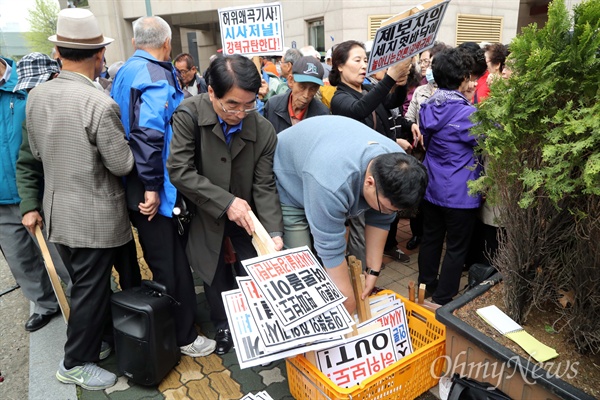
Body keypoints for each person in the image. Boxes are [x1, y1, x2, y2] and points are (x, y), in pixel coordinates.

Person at [25, 8, 134, 390]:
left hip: (58, 209)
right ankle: (75, 362)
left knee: (86, 284)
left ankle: (100, 343)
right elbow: (121, 164)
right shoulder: (100, 104)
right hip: (95, 214)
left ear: (59, 52)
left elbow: (36, 152)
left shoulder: (37, 96)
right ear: (98, 55)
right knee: (91, 290)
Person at [110, 16, 216, 358]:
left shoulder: (126, 70)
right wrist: (153, 186)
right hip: (151, 182)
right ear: (167, 43)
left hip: (136, 178)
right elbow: (149, 133)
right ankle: (184, 336)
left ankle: (180, 325)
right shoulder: (155, 74)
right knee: (168, 261)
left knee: (163, 257)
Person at [167, 54, 284, 355]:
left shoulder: (263, 129)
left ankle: (256, 323)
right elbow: (179, 170)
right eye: (232, 104)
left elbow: (264, 184)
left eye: (249, 104)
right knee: (214, 270)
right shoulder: (189, 114)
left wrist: (272, 231)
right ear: (211, 93)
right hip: (207, 210)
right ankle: (222, 323)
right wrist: (226, 201)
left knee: (252, 266)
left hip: (246, 216)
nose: (241, 113)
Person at [273, 115, 428, 313]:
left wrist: (373, 270)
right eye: (389, 208)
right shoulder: (332, 183)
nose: (391, 214)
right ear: (370, 182)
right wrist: (348, 301)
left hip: (324, 162)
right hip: (290, 182)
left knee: (337, 270)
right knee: (301, 263)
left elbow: (382, 218)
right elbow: (329, 245)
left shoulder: (399, 163)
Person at [329, 40, 413, 267]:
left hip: (379, 167)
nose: (363, 65)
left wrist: (401, 82)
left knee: (380, 216)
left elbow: (391, 101)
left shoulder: (366, 89)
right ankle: (360, 273)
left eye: (365, 60)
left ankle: (370, 266)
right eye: (357, 60)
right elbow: (360, 110)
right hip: (357, 173)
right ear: (339, 65)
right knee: (358, 226)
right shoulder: (339, 98)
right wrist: (389, 78)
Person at [0, 53, 62, 333]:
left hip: (40, 190)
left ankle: (83, 307)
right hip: (2, 200)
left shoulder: (27, 82)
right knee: (21, 260)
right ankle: (45, 304)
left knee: (60, 258)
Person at [417, 47, 483, 306]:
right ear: (463, 77)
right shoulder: (467, 114)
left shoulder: (428, 105)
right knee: (456, 247)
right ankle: (443, 298)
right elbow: (489, 138)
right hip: (459, 192)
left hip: (432, 186)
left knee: (431, 238)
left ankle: (425, 286)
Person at [264, 56, 329, 133]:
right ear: (291, 81)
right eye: (302, 87)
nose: (306, 95)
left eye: (313, 89)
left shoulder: (323, 114)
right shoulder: (272, 105)